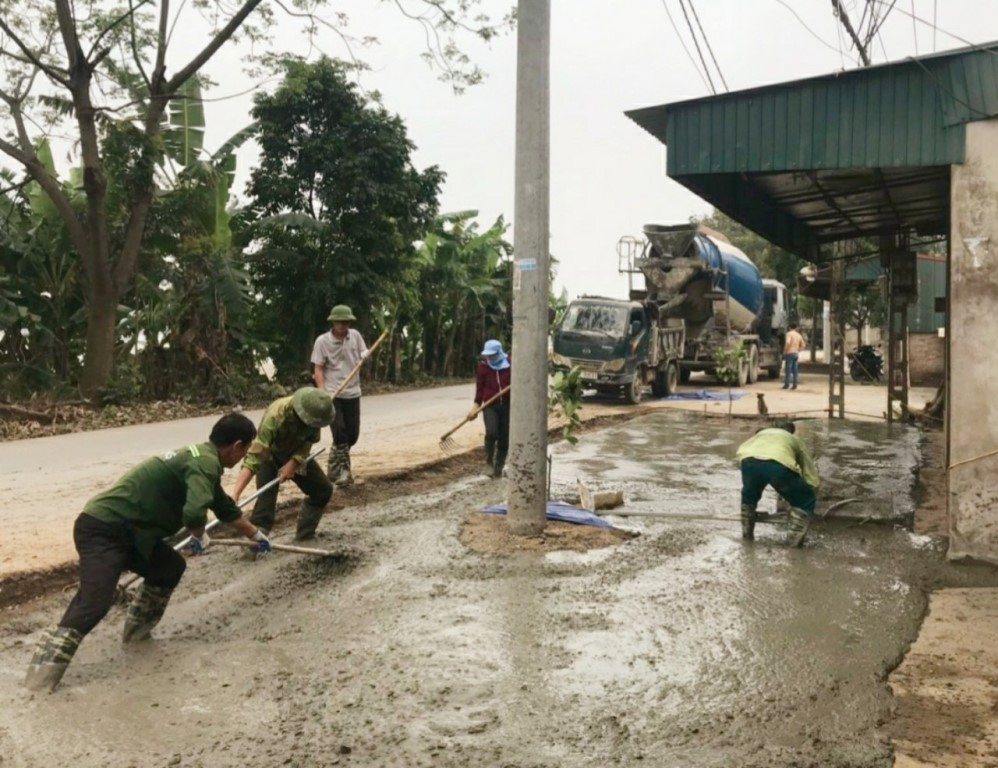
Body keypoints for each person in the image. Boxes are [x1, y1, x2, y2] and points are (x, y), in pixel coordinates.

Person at [23, 413, 270, 693]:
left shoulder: (202, 458)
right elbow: (194, 510)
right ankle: (40, 678)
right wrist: (199, 534)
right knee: (95, 601)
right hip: (104, 528)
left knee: (169, 567)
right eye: (246, 450)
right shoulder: (205, 462)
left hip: (133, 534)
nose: (243, 457)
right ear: (237, 446)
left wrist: (255, 535)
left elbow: (223, 506)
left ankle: (137, 636)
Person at [232, 387, 334, 542]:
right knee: (265, 506)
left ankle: (305, 536)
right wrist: (235, 494)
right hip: (269, 454)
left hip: (295, 453)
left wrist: (293, 463)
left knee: (323, 490)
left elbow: (308, 442)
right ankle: (254, 545)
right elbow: (255, 457)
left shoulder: (315, 417)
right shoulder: (276, 415)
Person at [735, 420, 820, 547]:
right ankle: (793, 546)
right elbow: (809, 472)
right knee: (805, 500)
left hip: (748, 460)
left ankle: (747, 538)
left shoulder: (760, 434)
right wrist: (811, 491)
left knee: (749, 496)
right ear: (791, 431)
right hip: (778, 463)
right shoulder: (793, 439)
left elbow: (743, 454)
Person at [311, 305, 370, 487]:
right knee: (341, 433)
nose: (343, 325)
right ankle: (344, 472)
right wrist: (323, 393)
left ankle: (333, 465)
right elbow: (318, 368)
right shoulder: (322, 341)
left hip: (352, 392)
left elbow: (363, 354)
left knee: (352, 435)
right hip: (333, 393)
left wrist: (365, 356)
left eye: (346, 322)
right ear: (333, 322)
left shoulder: (356, 337)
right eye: (339, 322)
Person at [471, 339, 511, 479]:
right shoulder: (483, 368)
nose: (490, 358)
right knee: (492, 432)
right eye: (488, 356)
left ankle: (498, 467)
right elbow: (479, 390)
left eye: (492, 355)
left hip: (507, 406)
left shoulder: (510, 365)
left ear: (499, 353)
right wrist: (476, 406)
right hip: (490, 406)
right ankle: (488, 461)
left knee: (504, 439)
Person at [782, 321, 806, 390]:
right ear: (796, 328)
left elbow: (787, 342)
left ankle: (787, 384)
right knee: (795, 370)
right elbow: (803, 345)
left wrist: (785, 350)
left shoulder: (789, 334)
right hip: (796, 354)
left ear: (789, 328)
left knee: (788, 370)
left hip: (789, 353)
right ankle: (795, 385)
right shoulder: (798, 335)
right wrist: (798, 350)